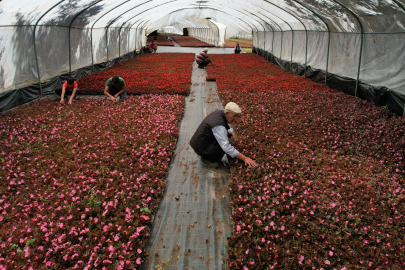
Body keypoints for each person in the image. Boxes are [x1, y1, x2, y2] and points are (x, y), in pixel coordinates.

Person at [190, 102, 258, 168]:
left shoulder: (220, 113)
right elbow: (226, 147)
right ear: (227, 113)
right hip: (201, 148)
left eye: (237, 116)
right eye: (234, 116)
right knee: (227, 143)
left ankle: (208, 154)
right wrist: (245, 158)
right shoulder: (219, 125)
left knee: (229, 140)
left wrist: (233, 134)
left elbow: (225, 125)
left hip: (201, 143)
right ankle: (206, 159)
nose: (236, 119)